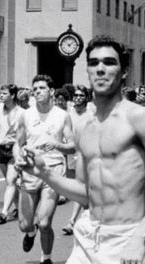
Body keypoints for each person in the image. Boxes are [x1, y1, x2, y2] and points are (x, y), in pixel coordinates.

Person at [17, 35, 145, 264]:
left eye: (109, 62)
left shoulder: (139, 117)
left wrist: (141, 236)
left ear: (124, 71)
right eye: (94, 63)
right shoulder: (84, 125)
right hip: (88, 234)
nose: (101, 69)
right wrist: (44, 172)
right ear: (87, 70)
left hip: (126, 236)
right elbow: (84, 192)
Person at [14, 75, 76, 264]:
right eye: (35, 89)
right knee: (25, 225)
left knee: (44, 222)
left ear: (51, 91)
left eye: (42, 88)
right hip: (30, 170)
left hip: (53, 170)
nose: (38, 91)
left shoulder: (62, 115)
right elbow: (18, 143)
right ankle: (30, 233)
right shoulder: (26, 115)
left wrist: (57, 144)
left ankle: (46, 258)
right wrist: (17, 156)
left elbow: (73, 146)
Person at [0, 84, 24, 223]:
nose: (1, 95)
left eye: (4, 93)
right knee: (12, 183)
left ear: (12, 95)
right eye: (1, 93)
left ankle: (4, 212)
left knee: (10, 181)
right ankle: (22, 209)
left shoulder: (21, 113)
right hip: (1, 149)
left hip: (15, 149)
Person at [62, 85, 93, 236]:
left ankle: (72, 221)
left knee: (81, 186)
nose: (78, 98)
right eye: (76, 95)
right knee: (75, 189)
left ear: (86, 98)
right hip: (71, 154)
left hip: (86, 154)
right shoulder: (68, 115)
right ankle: (89, 216)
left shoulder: (92, 114)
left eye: (81, 95)